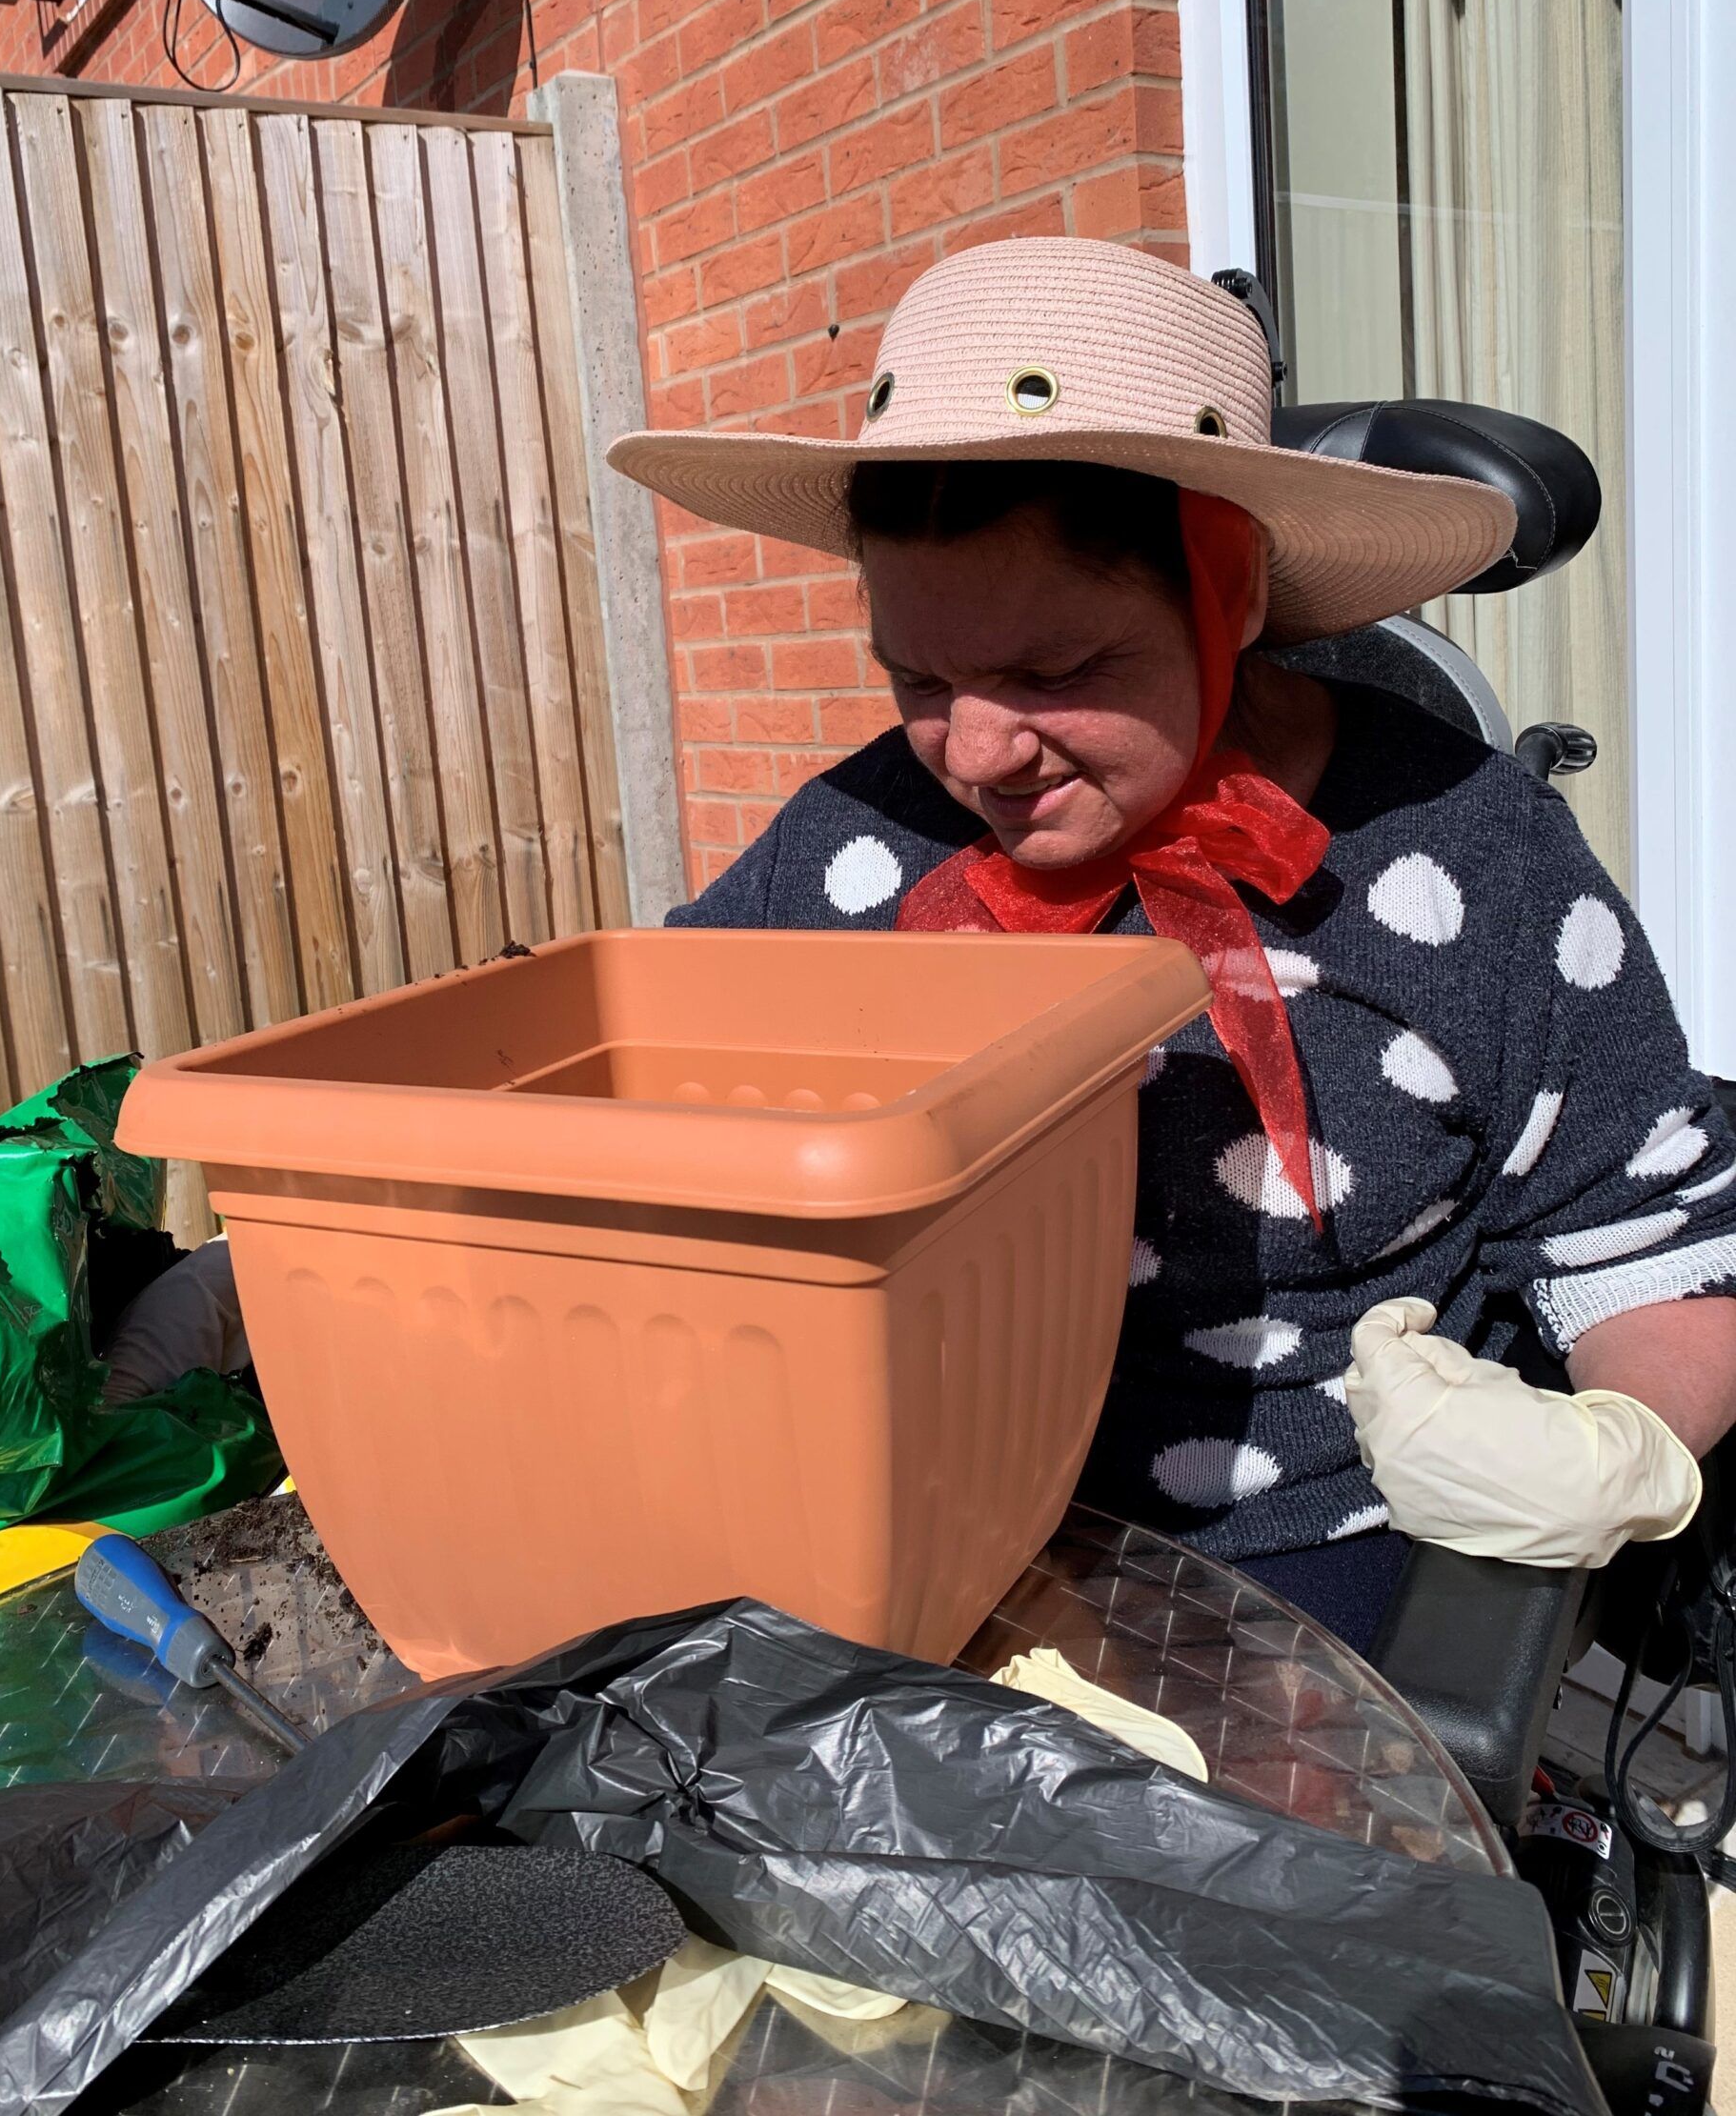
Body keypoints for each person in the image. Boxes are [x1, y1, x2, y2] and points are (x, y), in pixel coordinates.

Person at [609, 239, 1736, 1654]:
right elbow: (653, 1097)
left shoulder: (1465, 855)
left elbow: (1644, 1234)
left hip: (1302, 1547)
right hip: (900, 1498)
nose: (973, 751)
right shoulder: (851, 843)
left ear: (1231, 598)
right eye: (918, 676)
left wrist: (1614, 1443)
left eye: (1055, 674)